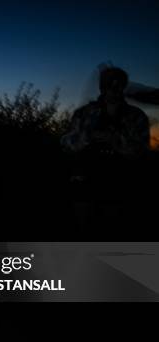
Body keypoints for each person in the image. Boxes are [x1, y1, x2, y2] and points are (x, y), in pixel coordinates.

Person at [61, 67, 150, 239]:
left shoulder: (136, 116)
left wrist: (115, 140)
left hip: (121, 185)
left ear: (124, 86)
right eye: (109, 84)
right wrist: (88, 136)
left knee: (115, 232)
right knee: (84, 233)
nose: (113, 88)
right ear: (102, 87)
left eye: (118, 84)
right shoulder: (83, 113)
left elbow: (140, 152)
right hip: (84, 184)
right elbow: (66, 144)